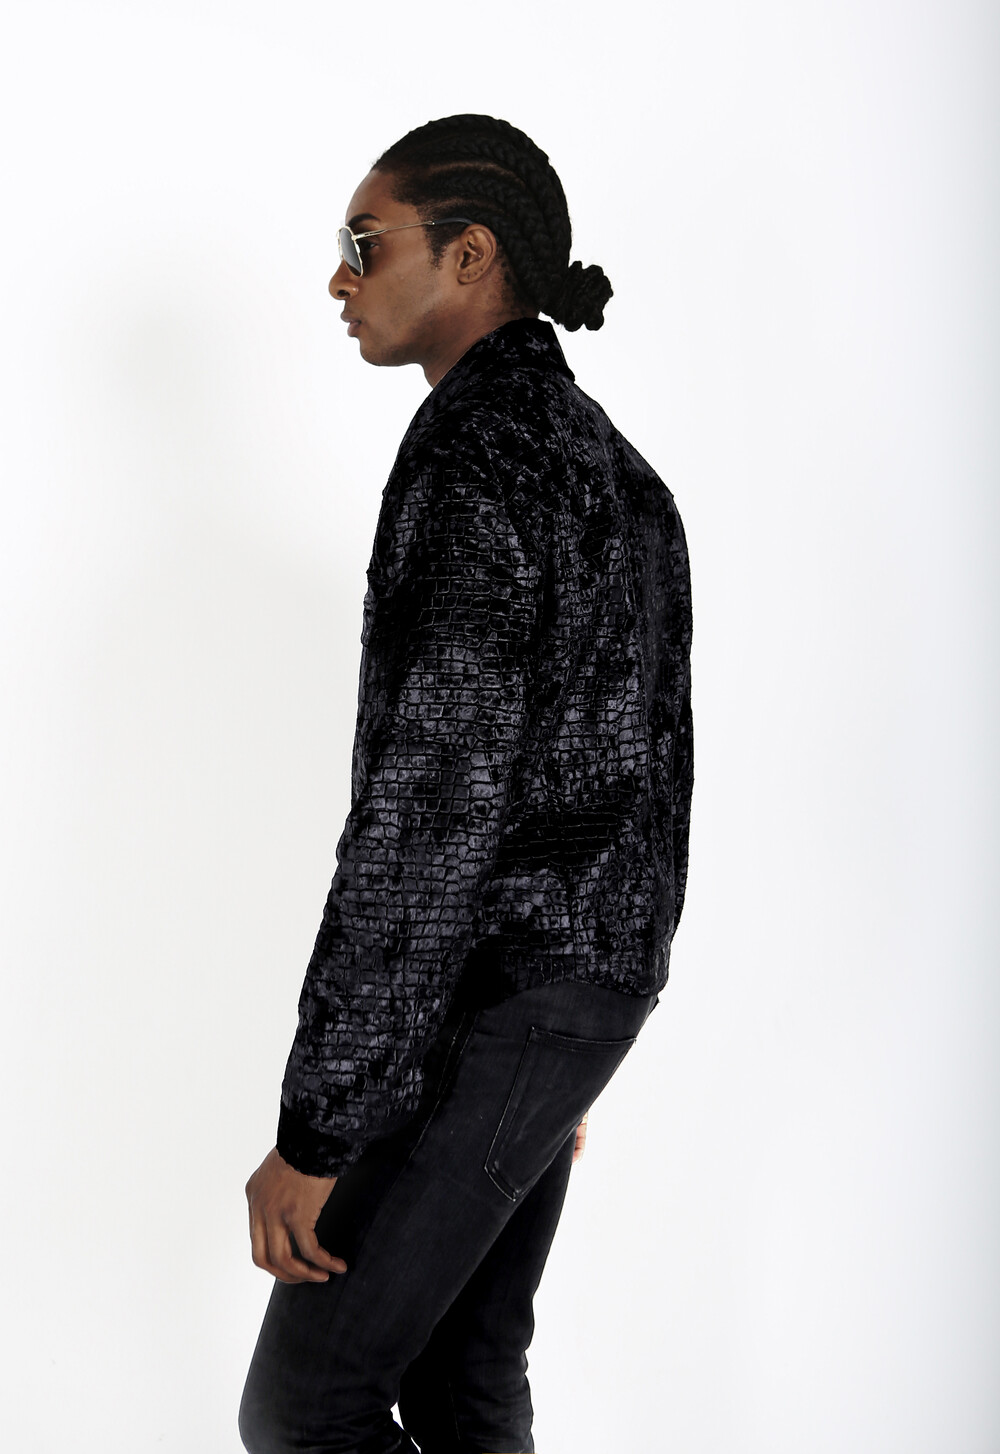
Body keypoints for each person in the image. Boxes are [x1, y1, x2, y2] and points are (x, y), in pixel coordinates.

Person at [239, 113, 693, 1454]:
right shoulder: (622, 472)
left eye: (363, 243)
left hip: (502, 999)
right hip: (556, 1000)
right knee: (464, 1373)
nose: (339, 278)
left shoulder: (471, 458)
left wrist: (316, 1132)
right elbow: (642, 782)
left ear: (471, 254)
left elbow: (429, 813)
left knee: (308, 1407)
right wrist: (577, 1032)